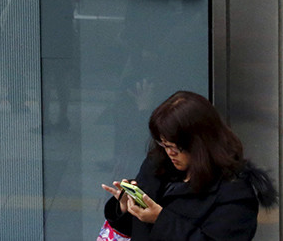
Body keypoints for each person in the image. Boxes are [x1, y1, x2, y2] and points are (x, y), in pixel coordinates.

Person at [101, 90, 277, 240]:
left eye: (176, 147)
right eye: (164, 144)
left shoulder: (234, 192)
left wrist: (160, 219)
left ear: (200, 143)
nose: (170, 153)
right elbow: (134, 230)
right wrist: (124, 209)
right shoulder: (158, 165)